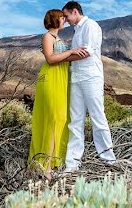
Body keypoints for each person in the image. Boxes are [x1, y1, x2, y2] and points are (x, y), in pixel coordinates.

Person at [28, 9, 90, 178]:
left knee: (62, 118)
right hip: (51, 78)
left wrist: (82, 54)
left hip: (62, 79)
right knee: (54, 118)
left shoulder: (59, 39)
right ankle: (46, 166)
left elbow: (64, 58)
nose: (65, 19)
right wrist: (71, 51)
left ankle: (55, 161)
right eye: (62, 17)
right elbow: (50, 59)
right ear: (55, 20)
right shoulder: (47, 36)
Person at [62, 0, 116, 171]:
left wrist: (63, 57)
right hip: (76, 78)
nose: (65, 20)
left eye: (66, 15)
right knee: (75, 121)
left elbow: (86, 52)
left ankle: (109, 160)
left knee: (97, 117)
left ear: (75, 12)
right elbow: (77, 53)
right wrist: (69, 54)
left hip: (91, 77)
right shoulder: (77, 30)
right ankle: (72, 164)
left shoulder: (91, 26)